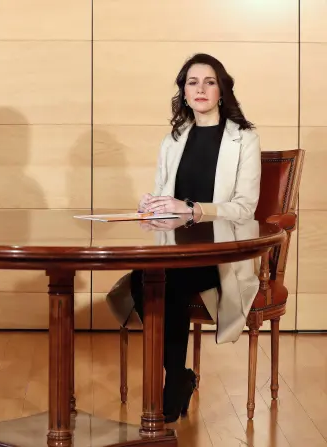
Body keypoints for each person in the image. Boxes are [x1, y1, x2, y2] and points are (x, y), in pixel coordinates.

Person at [127, 53, 261, 422]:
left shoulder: (244, 139)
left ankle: (174, 382)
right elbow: (164, 196)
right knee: (144, 280)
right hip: (174, 249)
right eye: (192, 82)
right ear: (184, 93)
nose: (200, 89)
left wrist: (192, 209)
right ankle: (178, 376)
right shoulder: (173, 139)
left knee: (164, 283)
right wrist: (151, 204)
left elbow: (245, 208)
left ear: (222, 90)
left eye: (209, 81)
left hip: (221, 251)